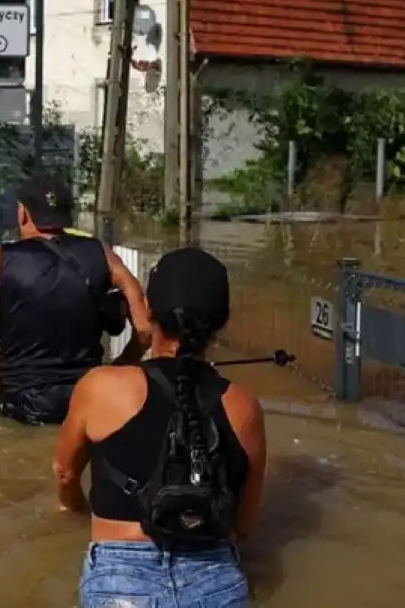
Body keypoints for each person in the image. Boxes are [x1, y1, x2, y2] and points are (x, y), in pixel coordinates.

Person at [53, 246, 267, 608]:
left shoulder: (102, 386)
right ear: (222, 321)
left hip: (120, 583)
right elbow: (243, 527)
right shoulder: (244, 406)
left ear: (148, 310)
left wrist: (72, 509)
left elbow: (63, 473)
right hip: (216, 581)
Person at [0, 172, 151, 426]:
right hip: (87, 401)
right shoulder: (102, 254)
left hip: (21, 407)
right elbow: (144, 329)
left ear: (23, 213)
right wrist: (120, 366)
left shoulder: (1, 260)